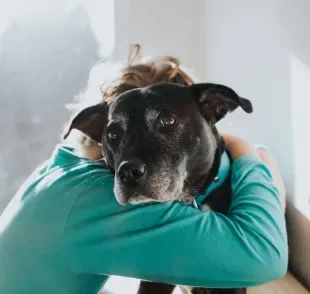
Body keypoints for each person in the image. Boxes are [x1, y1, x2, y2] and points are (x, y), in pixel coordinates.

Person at [0, 45, 287, 294]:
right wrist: (249, 155)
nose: (132, 157)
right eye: (115, 134)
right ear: (98, 130)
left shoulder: (58, 174)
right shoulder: (97, 198)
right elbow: (266, 255)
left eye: (166, 123)